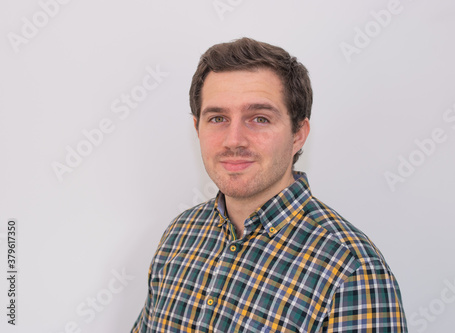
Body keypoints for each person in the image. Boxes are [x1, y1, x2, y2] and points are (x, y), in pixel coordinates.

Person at [132, 37, 407, 332]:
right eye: (218, 118)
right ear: (197, 128)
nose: (234, 140)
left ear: (298, 134)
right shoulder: (179, 235)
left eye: (260, 118)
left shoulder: (351, 271)